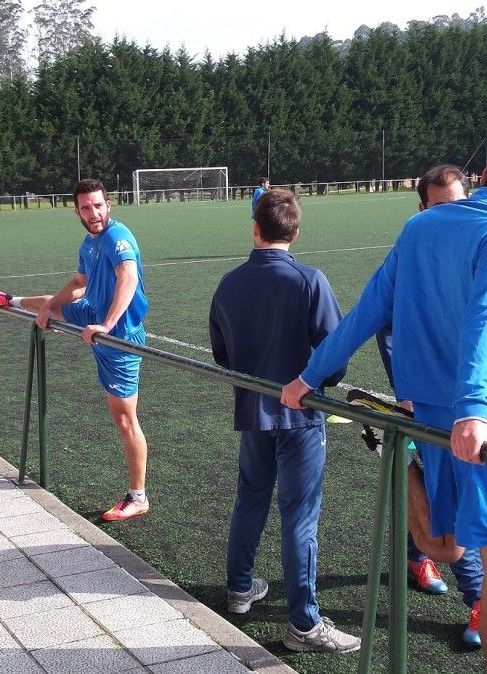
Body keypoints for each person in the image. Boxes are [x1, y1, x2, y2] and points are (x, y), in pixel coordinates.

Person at [281, 139, 487, 674]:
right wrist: (473, 408)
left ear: (483, 173)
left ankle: (399, 454)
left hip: (430, 416)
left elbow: (367, 310)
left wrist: (308, 375)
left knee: (446, 549)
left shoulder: (419, 227)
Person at [378, 164, 487, 649]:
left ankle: (474, 597)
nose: (453, 213)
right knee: (448, 530)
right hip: (435, 403)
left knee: (473, 527)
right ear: (422, 209)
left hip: (477, 404)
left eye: (458, 202)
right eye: (440, 207)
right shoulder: (420, 244)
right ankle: (433, 559)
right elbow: (388, 324)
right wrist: (408, 392)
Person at [209, 188, 361, 653]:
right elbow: (334, 362)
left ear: (255, 228)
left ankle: (239, 588)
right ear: (296, 232)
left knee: (250, 499)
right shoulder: (309, 280)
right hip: (300, 417)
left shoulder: (229, 283)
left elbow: (221, 353)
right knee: (300, 517)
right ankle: (304, 625)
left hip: (252, 411)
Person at [0, 179, 152, 522]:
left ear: (109, 205)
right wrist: (50, 308)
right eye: (86, 207)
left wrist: (106, 326)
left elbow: (128, 279)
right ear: (77, 212)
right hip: (94, 316)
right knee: (51, 306)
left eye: (98, 205)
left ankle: (138, 496)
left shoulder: (118, 238)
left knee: (124, 419)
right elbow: (78, 284)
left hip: (119, 337)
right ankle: (11, 300)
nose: (94, 212)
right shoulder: (89, 243)